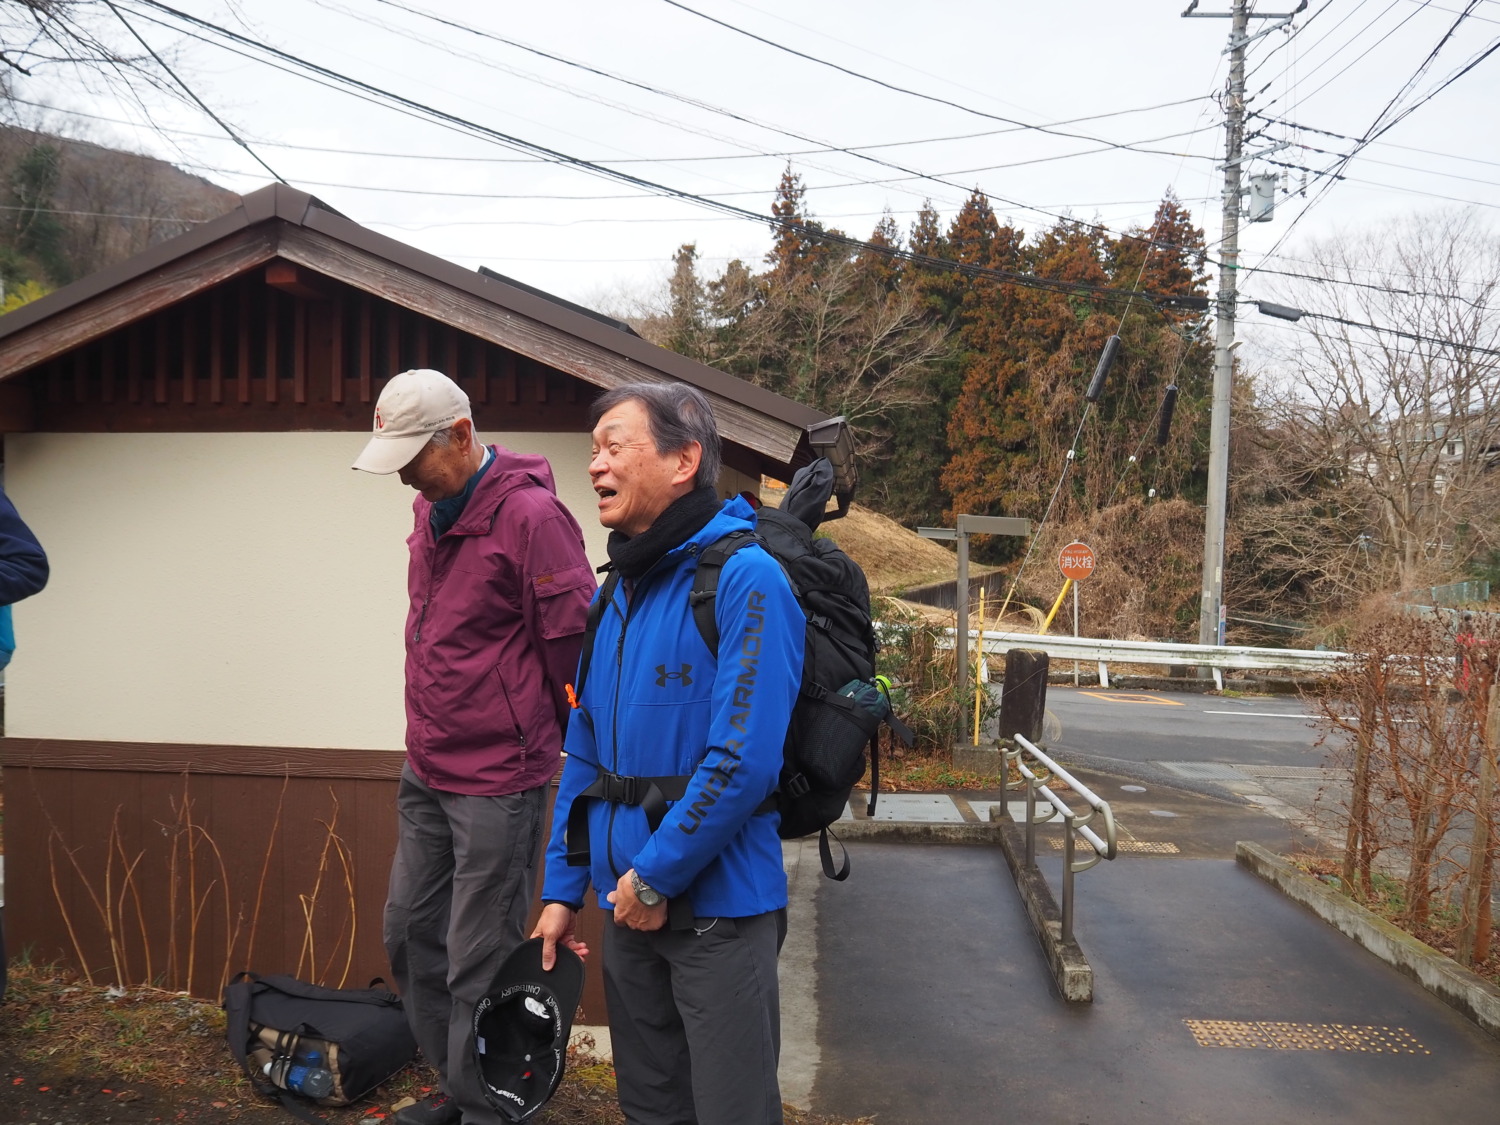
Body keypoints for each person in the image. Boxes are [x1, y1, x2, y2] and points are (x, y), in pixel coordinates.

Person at [533, 382, 804, 1125]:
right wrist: (562, 893)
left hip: (719, 914)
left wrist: (654, 878)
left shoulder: (746, 580)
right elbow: (585, 755)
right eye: (593, 450)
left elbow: (742, 760)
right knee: (650, 1107)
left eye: (614, 446)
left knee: (731, 1110)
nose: (595, 465)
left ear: (684, 461)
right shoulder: (616, 593)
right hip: (628, 909)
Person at [352, 369, 593, 1125]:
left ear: (460, 435)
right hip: (427, 765)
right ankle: (459, 1087)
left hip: (498, 778)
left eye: (413, 459)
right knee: (410, 933)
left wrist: (573, 761)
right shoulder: (432, 507)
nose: (405, 478)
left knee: (478, 958)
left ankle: (489, 1110)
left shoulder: (532, 518)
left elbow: (574, 656)